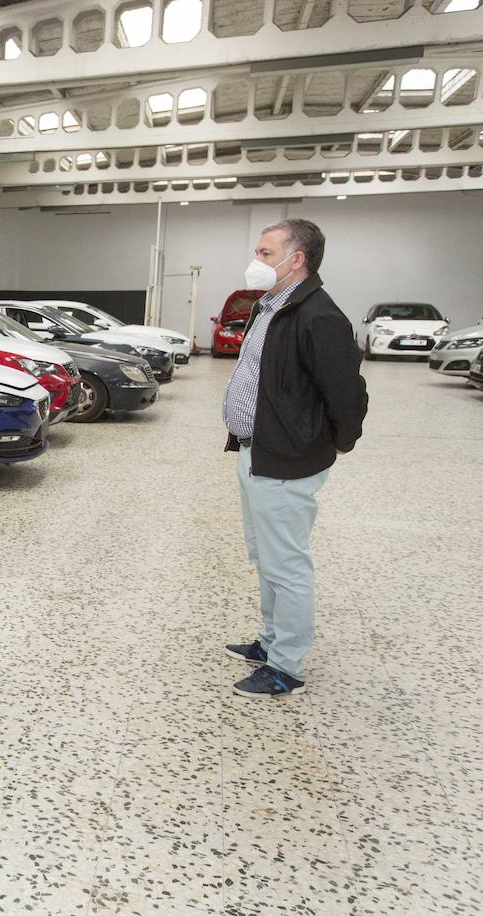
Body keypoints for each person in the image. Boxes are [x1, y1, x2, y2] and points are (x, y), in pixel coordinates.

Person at [221, 218, 368, 698]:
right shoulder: (271, 308)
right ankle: (270, 642)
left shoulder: (318, 316)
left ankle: (287, 667)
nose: (256, 261)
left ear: (296, 259)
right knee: (264, 556)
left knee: (287, 564)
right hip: (256, 452)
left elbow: (348, 395)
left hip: (287, 458)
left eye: (265, 253)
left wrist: (324, 447)